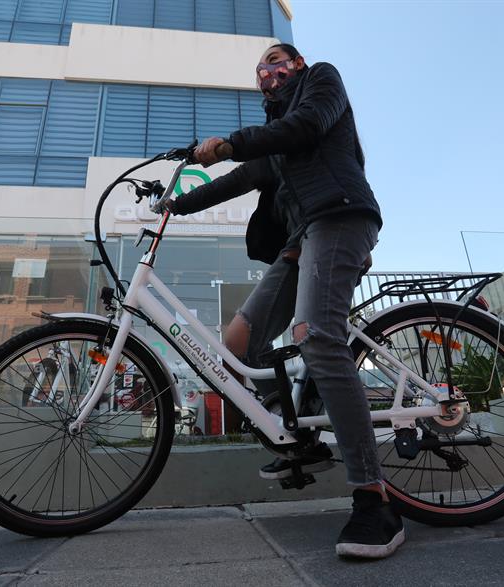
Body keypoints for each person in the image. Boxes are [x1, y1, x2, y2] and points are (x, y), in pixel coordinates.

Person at [165, 44, 404, 560]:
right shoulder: (274, 139)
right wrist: (175, 203)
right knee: (233, 352)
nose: (267, 71)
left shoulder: (321, 81)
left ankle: (374, 498)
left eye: (277, 61)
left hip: (339, 217)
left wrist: (229, 143)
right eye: (259, 68)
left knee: (314, 335)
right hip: (300, 240)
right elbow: (239, 179)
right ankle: (306, 435)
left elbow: (307, 127)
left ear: (296, 65)